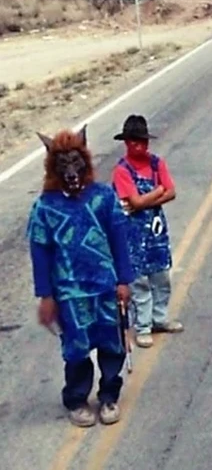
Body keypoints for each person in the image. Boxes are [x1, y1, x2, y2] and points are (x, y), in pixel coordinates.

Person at [28, 126, 134, 427]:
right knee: (75, 347)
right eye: (63, 165)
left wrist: (123, 280)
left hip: (105, 286)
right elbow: (40, 253)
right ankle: (76, 399)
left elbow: (118, 238)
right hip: (70, 293)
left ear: (85, 164)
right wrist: (46, 296)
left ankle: (109, 396)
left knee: (112, 343)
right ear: (53, 168)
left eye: (76, 163)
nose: (71, 172)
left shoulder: (103, 197)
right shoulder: (45, 207)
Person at [111, 115, 183, 349]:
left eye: (142, 141)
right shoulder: (122, 171)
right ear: (126, 143)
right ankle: (142, 326)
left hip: (155, 231)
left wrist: (146, 199)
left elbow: (171, 192)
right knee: (139, 281)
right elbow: (136, 201)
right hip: (132, 234)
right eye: (133, 142)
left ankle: (159, 319)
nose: (138, 146)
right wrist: (157, 192)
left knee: (161, 276)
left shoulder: (156, 163)